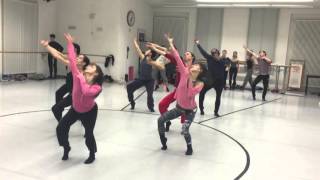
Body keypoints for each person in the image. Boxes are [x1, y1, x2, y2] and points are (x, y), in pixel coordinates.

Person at [56, 33, 104, 164]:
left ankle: (92, 154)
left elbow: (86, 92)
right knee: (60, 128)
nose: (88, 66)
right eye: (88, 66)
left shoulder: (97, 87)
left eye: (91, 67)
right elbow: (72, 59)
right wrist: (70, 44)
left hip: (90, 112)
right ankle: (66, 147)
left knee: (88, 134)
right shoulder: (78, 73)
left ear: (96, 73)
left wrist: (82, 77)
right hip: (75, 109)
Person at [157, 34, 206, 155]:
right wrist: (170, 43)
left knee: (184, 129)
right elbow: (177, 57)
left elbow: (190, 93)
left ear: (200, 71)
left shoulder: (200, 84)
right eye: (193, 65)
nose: (193, 66)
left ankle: (189, 147)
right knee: (160, 120)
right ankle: (163, 141)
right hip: (179, 108)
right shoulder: (184, 71)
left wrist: (190, 78)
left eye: (196, 66)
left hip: (190, 111)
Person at [147, 42, 195, 132]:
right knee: (162, 104)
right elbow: (165, 52)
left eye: (188, 54)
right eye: (185, 53)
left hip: (187, 94)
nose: (185, 54)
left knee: (185, 111)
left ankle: (185, 127)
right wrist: (154, 47)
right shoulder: (179, 61)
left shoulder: (194, 68)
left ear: (192, 57)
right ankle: (167, 120)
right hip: (177, 91)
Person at [41, 40, 89, 121]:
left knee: (73, 99)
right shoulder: (73, 61)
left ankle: (76, 112)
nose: (69, 49)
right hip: (70, 80)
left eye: (71, 48)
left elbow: (59, 56)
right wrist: (47, 46)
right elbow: (59, 55)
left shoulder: (77, 62)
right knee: (59, 94)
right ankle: (60, 110)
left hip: (75, 85)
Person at [195, 40, 225, 117]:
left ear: (218, 54)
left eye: (215, 53)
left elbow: (226, 64)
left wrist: (221, 57)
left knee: (218, 97)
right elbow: (203, 52)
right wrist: (198, 44)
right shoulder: (209, 58)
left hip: (219, 82)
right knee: (202, 93)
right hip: (210, 81)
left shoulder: (223, 60)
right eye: (212, 53)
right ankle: (201, 109)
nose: (214, 54)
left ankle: (216, 112)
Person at [126, 39, 158, 112]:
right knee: (129, 87)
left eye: (149, 50)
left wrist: (153, 47)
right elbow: (138, 49)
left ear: (151, 54)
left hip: (149, 81)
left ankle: (151, 107)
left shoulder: (152, 61)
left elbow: (155, 66)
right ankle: (132, 102)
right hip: (141, 79)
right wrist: (135, 42)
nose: (146, 50)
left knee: (150, 95)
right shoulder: (143, 57)